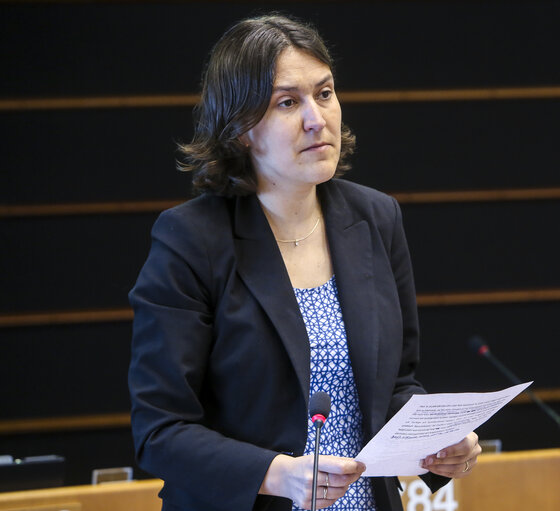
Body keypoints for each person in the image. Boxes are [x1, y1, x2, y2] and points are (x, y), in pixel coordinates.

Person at [128, 14, 481, 511]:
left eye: (325, 93)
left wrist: (437, 445)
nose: (317, 119)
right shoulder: (191, 239)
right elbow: (160, 430)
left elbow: (396, 385)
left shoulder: (375, 217)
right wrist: (278, 475)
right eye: (287, 103)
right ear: (241, 128)